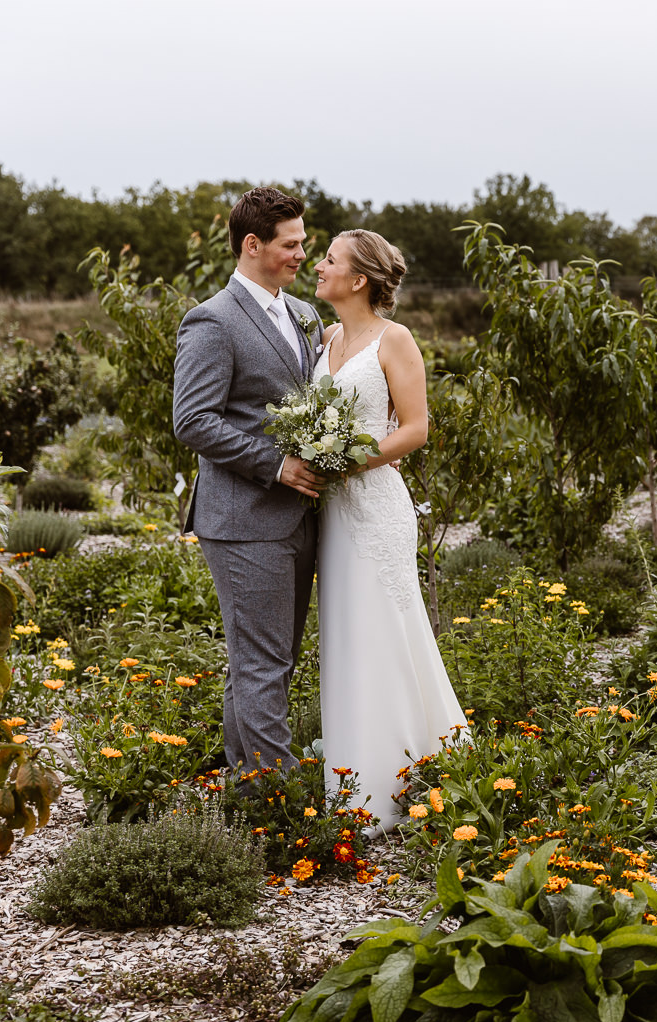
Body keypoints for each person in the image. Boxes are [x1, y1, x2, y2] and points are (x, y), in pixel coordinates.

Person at [311, 228, 463, 826]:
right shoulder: (325, 338)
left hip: (376, 505)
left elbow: (416, 428)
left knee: (386, 631)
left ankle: (403, 779)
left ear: (359, 280)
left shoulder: (394, 339)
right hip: (333, 512)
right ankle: (354, 781)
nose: (318, 267)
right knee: (347, 634)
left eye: (329, 260)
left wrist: (349, 456)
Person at [172, 187, 325, 778]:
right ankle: (281, 804)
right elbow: (193, 420)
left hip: (300, 516)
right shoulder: (211, 320)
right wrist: (275, 464)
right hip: (243, 519)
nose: (301, 256)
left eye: (305, 244)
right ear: (252, 245)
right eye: (291, 245)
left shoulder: (304, 314)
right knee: (262, 663)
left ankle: (252, 789)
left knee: (269, 661)